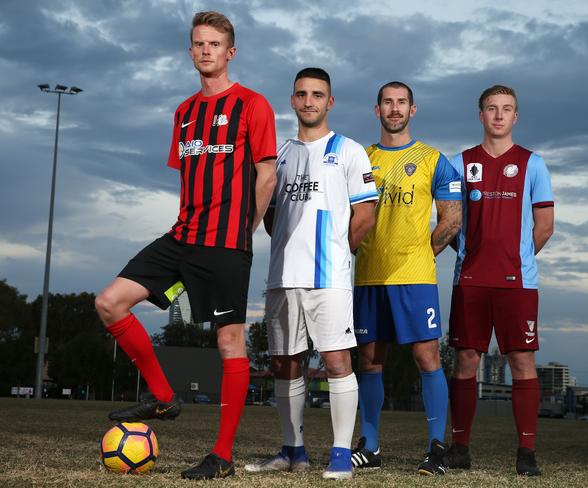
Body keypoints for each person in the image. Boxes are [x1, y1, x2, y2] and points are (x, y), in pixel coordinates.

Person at [94, 11, 277, 480]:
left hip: (225, 242)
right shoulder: (184, 112)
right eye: (198, 43)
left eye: (215, 44)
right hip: (182, 236)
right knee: (110, 302)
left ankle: (222, 456)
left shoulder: (253, 105)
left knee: (229, 341)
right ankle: (162, 396)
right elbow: (192, 179)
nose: (206, 51)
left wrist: (244, 231)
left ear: (230, 52)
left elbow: (267, 175)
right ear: (191, 50)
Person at [243, 67, 378, 480]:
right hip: (282, 277)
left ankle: (340, 454)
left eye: (317, 94)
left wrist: (338, 250)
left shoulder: (350, 151)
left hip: (329, 277)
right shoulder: (279, 154)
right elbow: (269, 218)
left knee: (337, 360)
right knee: (285, 364)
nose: (309, 101)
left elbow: (366, 215)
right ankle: (293, 450)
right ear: (292, 100)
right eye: (301, 94)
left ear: (329, 102)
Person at [351, 81, 462, 475]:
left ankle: (436, 448)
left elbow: (452, 219)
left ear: (412, 110)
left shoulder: (433, 159)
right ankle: (370, 446)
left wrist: (418, 253)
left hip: (415, 276)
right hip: (368, 276)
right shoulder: (359, 158)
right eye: (387, 103)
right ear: (376, 109)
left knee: (426, 356)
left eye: (401, 103)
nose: (394, 109)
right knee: (370, 359)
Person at [446, 85, 554, 476]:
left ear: (515, 116)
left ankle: (526, 452)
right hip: (470, 279)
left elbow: (545, 227)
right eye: (491, 109)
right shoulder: (458, 163)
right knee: (465, 361)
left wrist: (517, 258)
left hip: (517, 283)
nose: (498, 116)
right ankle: (459, 447)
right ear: (480, 115)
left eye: (506, 109)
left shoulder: (533, 164)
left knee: (522, 361)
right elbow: (449, 220)